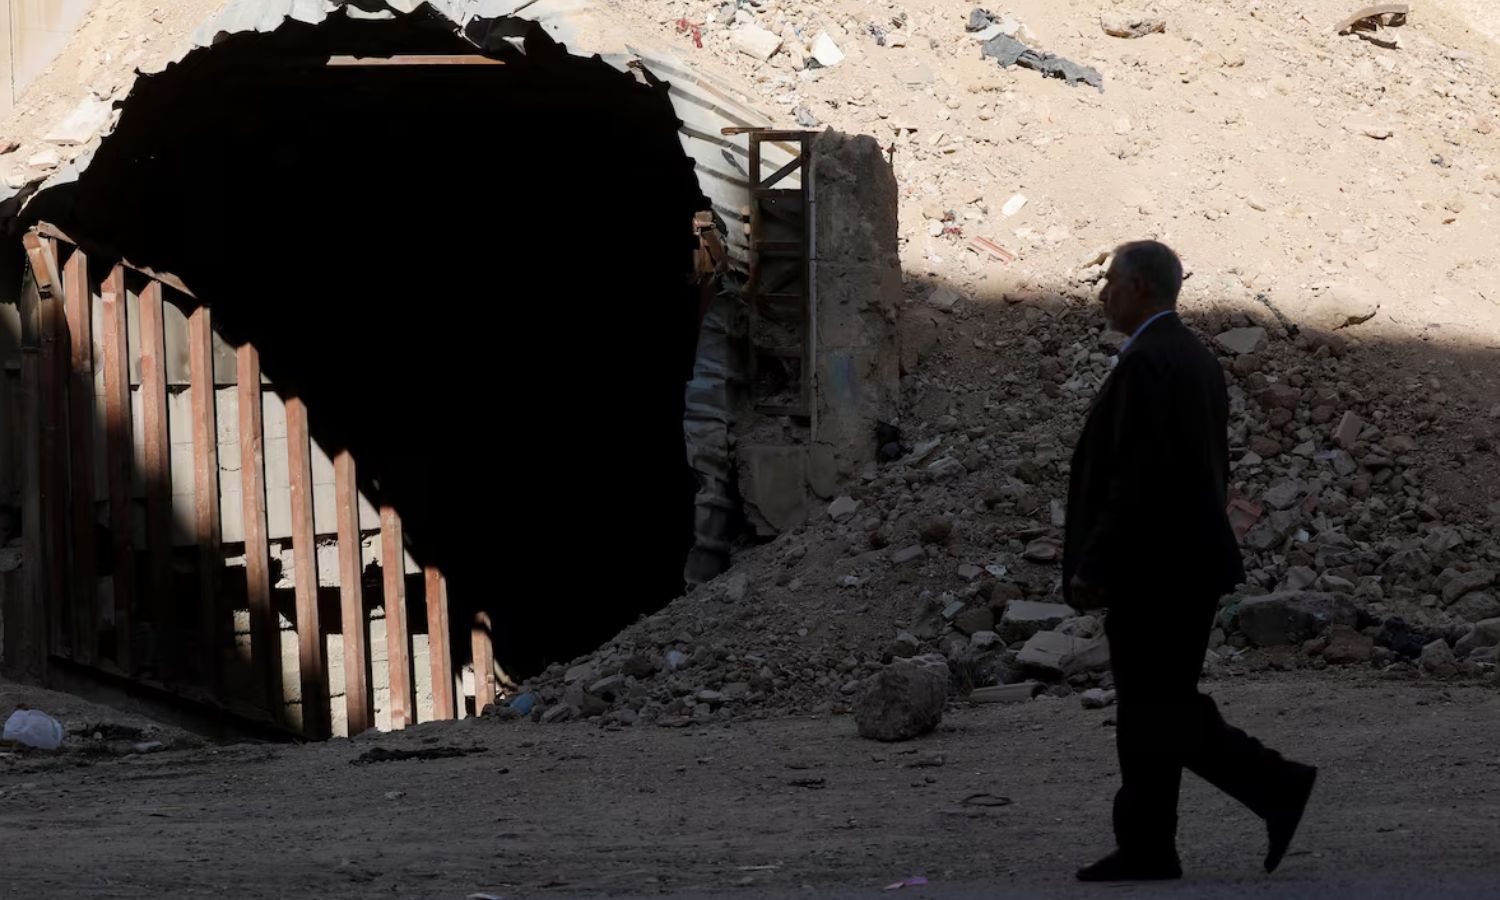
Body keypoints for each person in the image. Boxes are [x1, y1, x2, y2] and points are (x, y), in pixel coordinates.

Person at [1062, 240, 1317, 882]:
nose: (1103, 294)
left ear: (1142, 287)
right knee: (1155, 708)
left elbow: (1136, 478)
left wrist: (1094, 562)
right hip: (1181, 563)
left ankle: (1276, 785)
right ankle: (1151, 845)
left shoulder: (1151, 360)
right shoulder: (1191, 357)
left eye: (1112, 282)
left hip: (1158, 569)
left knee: (1158, 710)